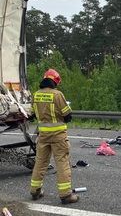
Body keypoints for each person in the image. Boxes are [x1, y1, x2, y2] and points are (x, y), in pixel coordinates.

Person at [29, 69, 79, 204]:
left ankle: (35, 191)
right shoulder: (58, 95)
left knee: (40, 162)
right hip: (58, 136)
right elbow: (67, 115)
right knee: (62, 162)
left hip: (43, 135)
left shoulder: (36, 95)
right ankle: (65, 195)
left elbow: (31, 114)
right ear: (55, 81)